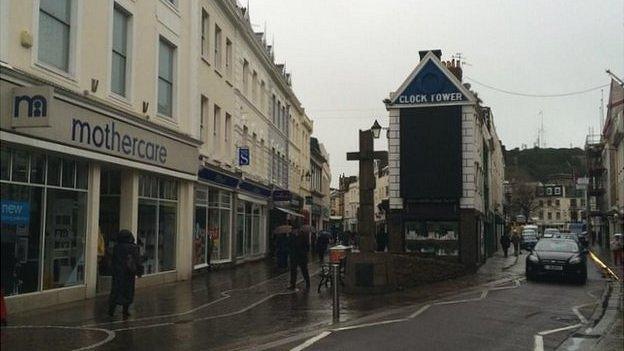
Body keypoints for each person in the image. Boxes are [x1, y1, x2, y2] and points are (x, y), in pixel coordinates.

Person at [108, 229, 143, 318]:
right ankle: (125, 310)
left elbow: (113, 260)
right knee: (128, 292)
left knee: (115, 291)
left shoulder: (117, 247)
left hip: (118, 273)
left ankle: (111, 310)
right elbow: (137, 260)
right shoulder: (133, 247)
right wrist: (139, 271)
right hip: (128, 273)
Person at [288, 225, 311, 291]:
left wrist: (303, 252)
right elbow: (289, 245)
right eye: (292, 230)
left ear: (297, 230)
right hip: (294, 256)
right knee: (293, 271)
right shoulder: (291, 236)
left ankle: (308, 283)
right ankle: (292, 285)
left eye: (294, 230)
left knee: (304, 270)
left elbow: (307, 247)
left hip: (302, 257)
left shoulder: (303, 236)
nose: (293, 231)